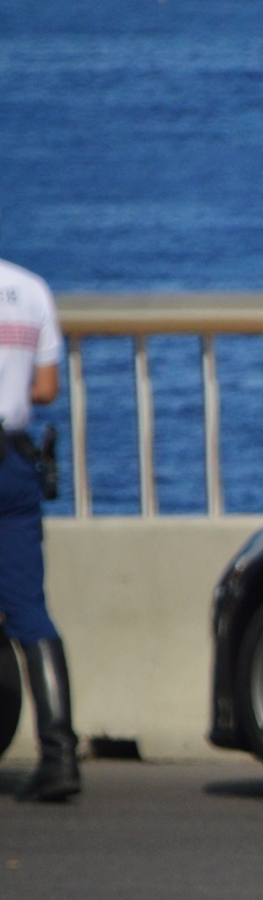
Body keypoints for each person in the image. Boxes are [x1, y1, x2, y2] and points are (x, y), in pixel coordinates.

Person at [0, 255, 77, 801]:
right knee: (28, 607)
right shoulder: (30, 288)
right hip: (12, 462)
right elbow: (45, 388)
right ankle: (59, 754)